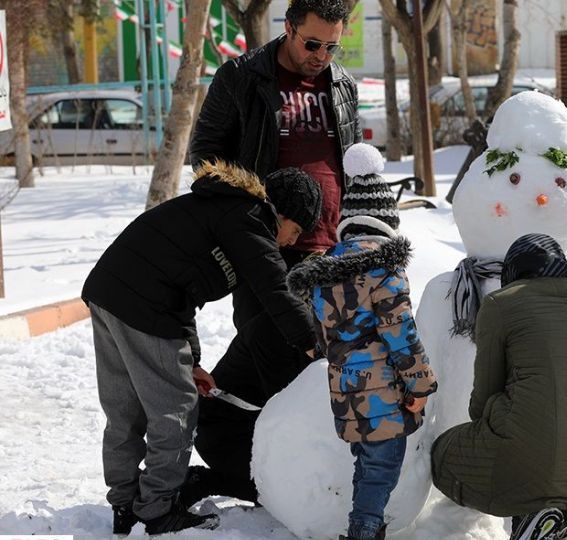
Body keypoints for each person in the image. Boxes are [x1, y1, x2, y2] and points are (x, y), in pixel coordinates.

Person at [82, 163, 321, 535]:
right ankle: (158, 510)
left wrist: (191, 361)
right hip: (143, 303)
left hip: (110, 291)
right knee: (175, 411)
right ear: (284, 213)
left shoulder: (226, 211)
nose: (293, 241)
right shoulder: (250, 220)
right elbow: (277, 292)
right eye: (297, 229)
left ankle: (126, 504)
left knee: (125, 409)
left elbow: (184, 294)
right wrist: (313, 345)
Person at [433, 233, 567, 540]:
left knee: (447, 454)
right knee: (556, 439)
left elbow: (486, 391)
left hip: (532, 450)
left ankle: (532, 518)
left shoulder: (500, 304)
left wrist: (486, 428)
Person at [285, 143, 438, 540]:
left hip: (345, 388)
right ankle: (365, 530)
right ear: (387, 224)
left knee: (367, 462)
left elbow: (323, 334)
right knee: (383, 466)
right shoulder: (386, 272)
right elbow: (400, 334)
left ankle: (366, 525)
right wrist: (421, 384)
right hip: (384, 390)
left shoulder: (323, 273)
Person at [189, 0, 362, 331]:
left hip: (330, 248)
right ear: (289, 27)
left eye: (331, 47)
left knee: (326, 362)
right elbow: (206, 158)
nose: (321, 55)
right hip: (265, 248)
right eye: (312, 44)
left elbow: (352, 161)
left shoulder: (342, 84)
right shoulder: (241, 77)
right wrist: (252, 220)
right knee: (264, 358)